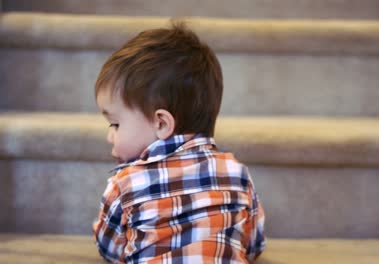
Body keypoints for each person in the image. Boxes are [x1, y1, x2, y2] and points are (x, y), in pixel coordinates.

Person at [92, 21, 266, 263]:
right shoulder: (236, 172)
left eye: (115, 125)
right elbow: (253, 245)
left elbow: (109, 249)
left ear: (161, 123)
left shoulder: (124, 185)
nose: (109, 135)